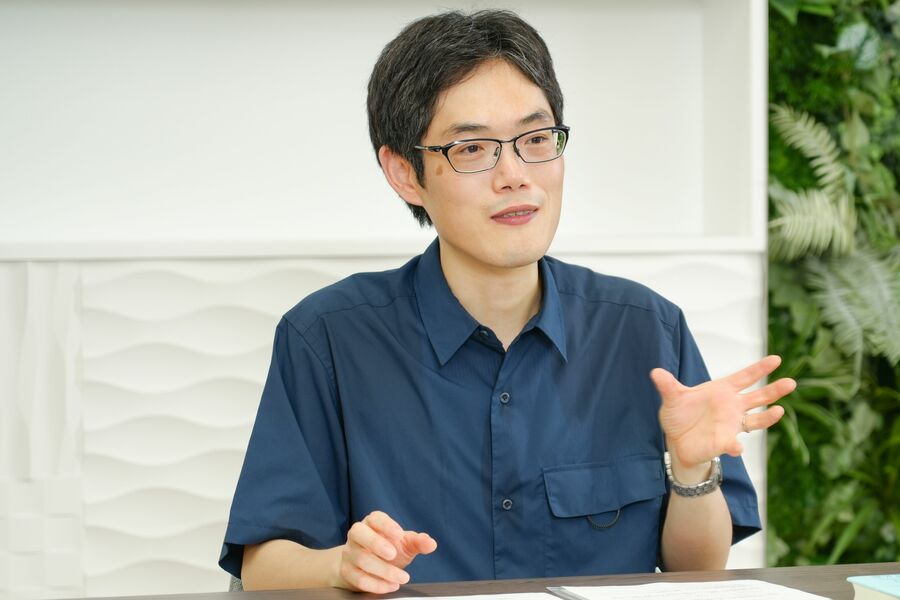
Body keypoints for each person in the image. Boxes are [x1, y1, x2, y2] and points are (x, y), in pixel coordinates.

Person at [218, 9, 794, 593]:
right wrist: (340, 567)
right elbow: (263, 565)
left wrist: (692, 469)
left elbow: (698, 576)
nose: (515, 175)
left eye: (536, 139)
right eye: (472, 149)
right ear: (405, 173)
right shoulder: (328, 337)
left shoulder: (647, 329)